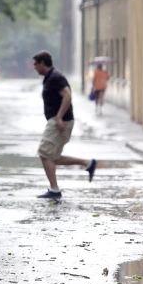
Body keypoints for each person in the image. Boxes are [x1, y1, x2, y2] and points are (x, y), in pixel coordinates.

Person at [32, 50, 97, 199]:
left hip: (60, 121)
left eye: (35, 64)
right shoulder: (50, 77)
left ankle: (54, 190)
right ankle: (87, 163)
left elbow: (67, 95)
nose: (34, 67)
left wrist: (59, 117)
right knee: (52, 157)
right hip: (57, 120)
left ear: (42, 63)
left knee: (44, 153)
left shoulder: (56, 77)